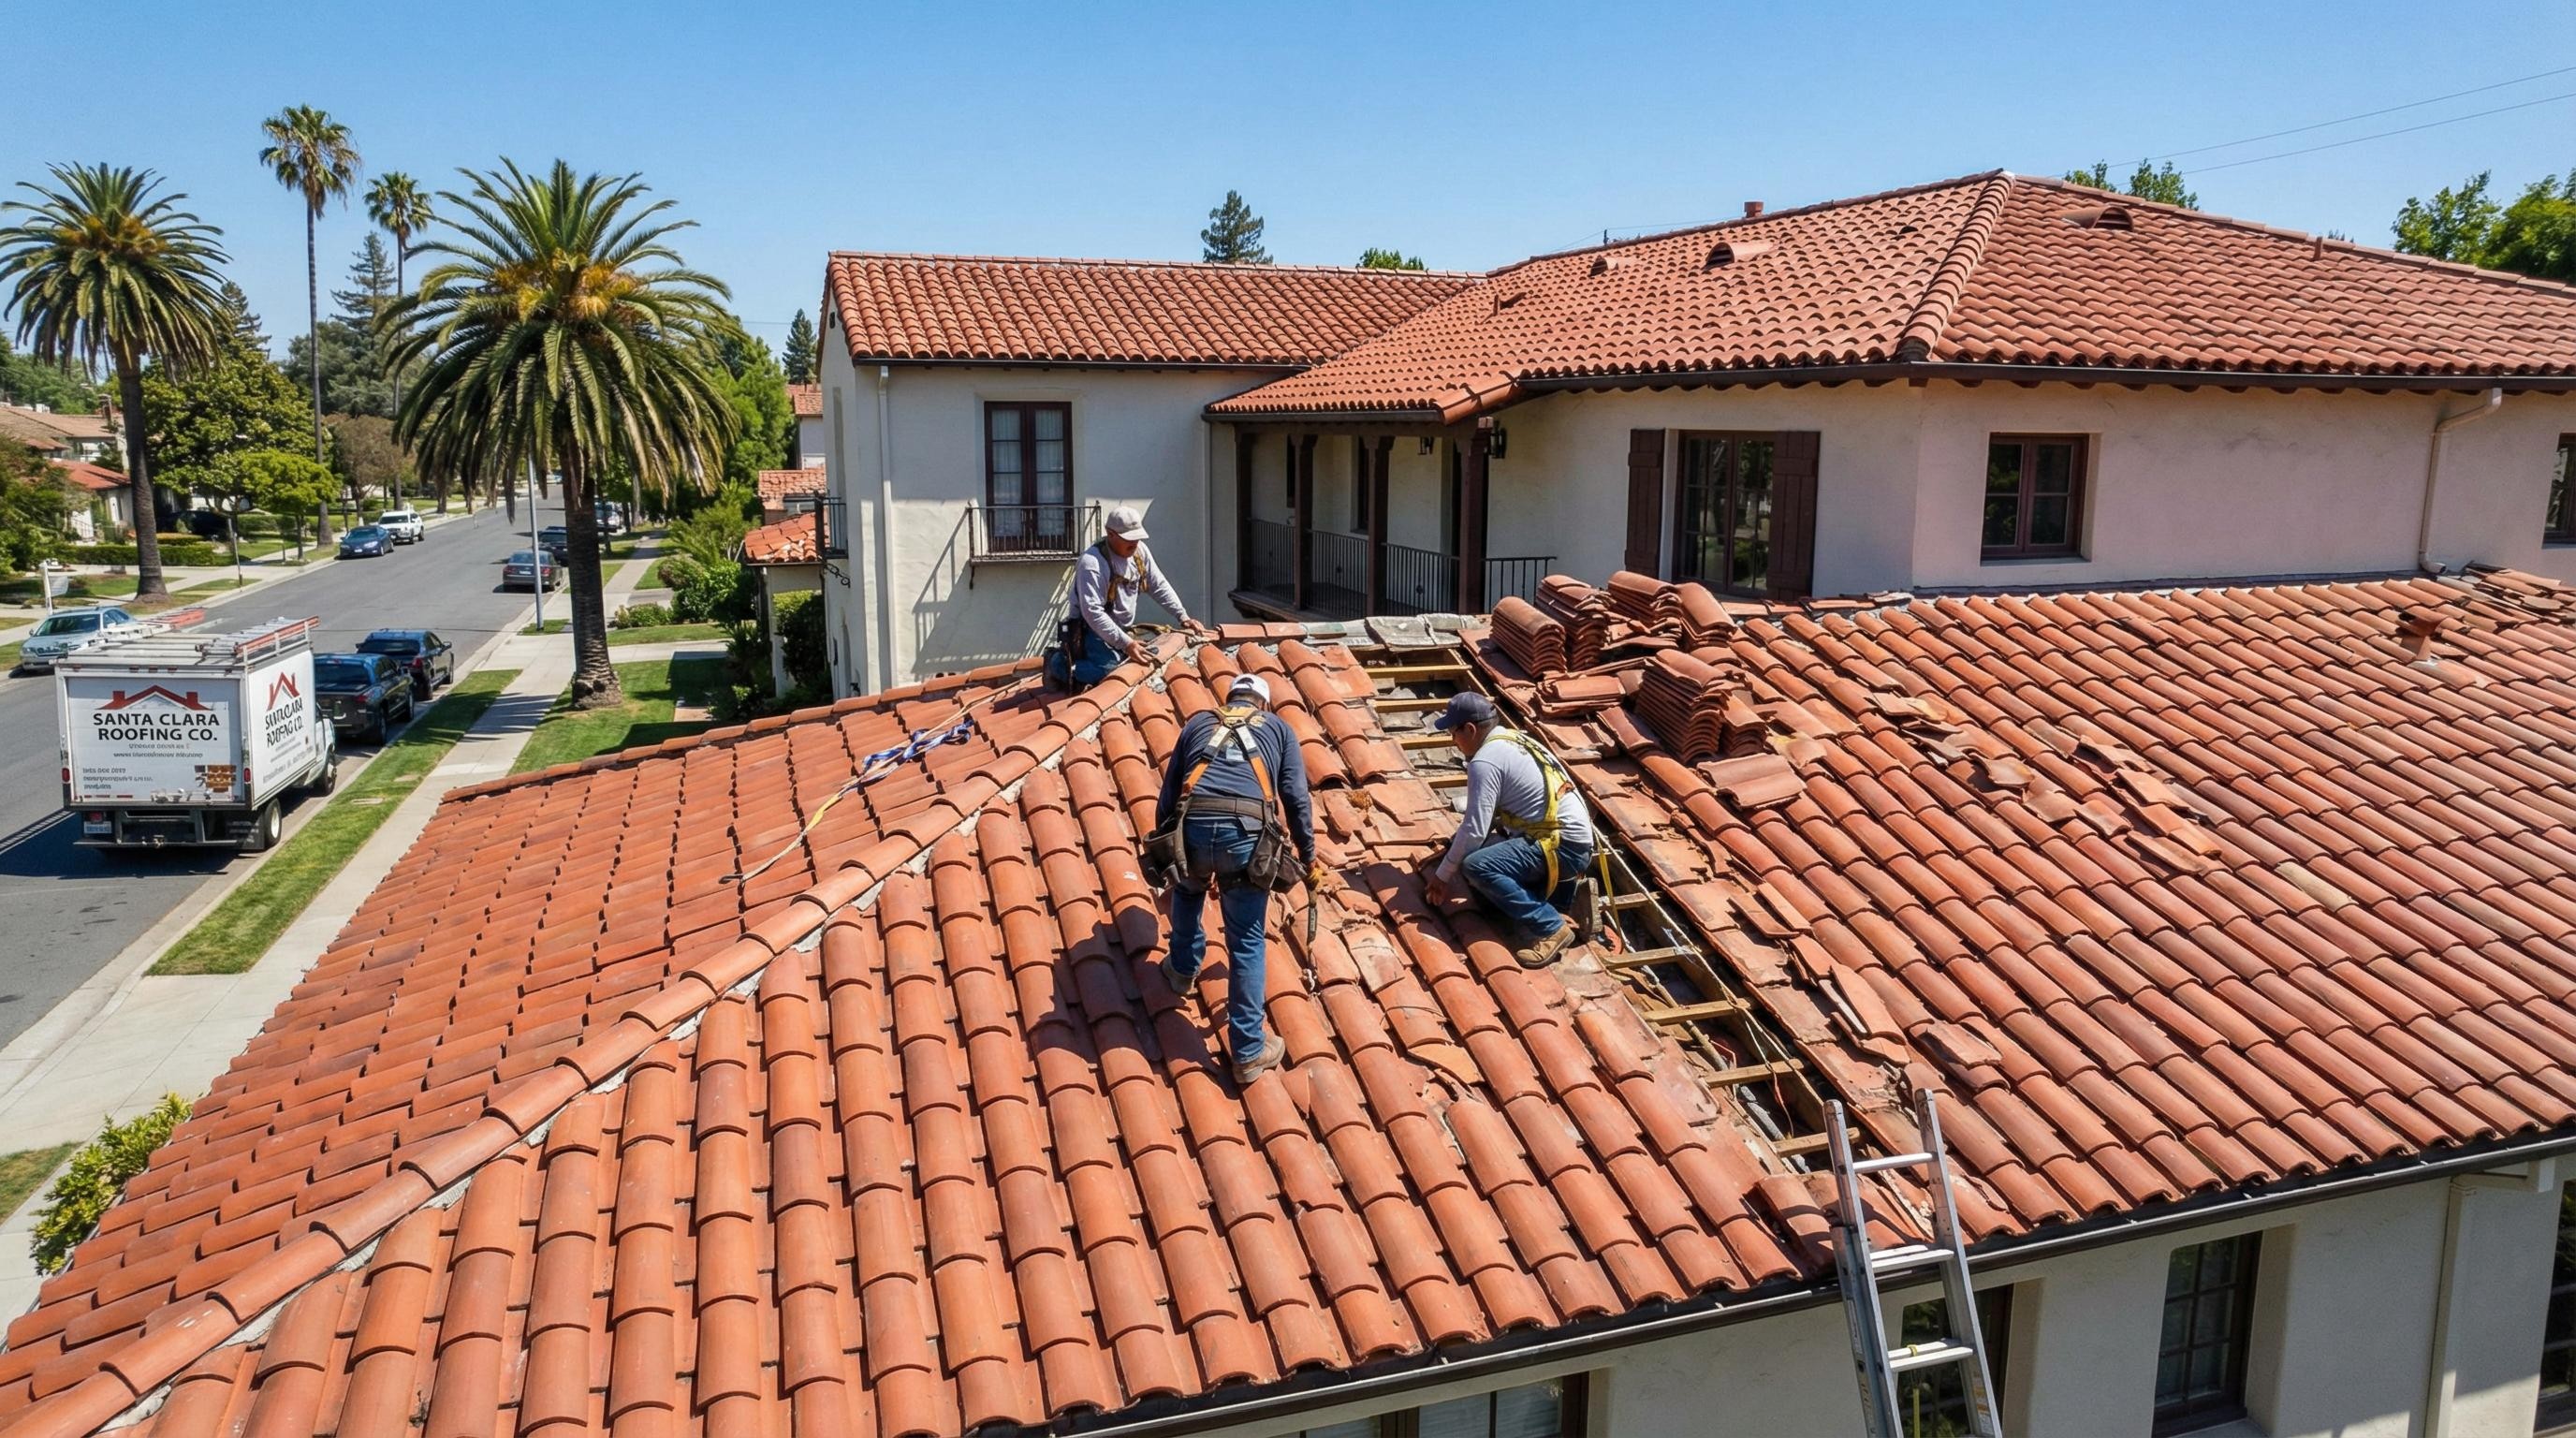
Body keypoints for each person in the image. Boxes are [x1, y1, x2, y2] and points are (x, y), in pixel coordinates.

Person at [1153, 672, 1314, 1083]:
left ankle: (1182, 971)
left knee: (1188, 891)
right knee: (1245, 938)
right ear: (1263, 704)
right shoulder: (1279, 728)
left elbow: (1169, 795)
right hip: (1246, 836)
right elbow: (1295, 797)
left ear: (1228, 700)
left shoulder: (1198, 722)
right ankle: (1246, 1051)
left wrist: (1166, 849)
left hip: (1193, 826)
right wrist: (1308, 855)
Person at [1422, 691, 1600, 967]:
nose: (1453, 742)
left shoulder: (1485, 762)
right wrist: (1451, 847)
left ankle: (1551, 927)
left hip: (1562, 847)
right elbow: (1488, 816)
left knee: (1477, 865)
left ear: (1470, 729)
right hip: (1573, 842)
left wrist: (1443, 874)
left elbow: (1475, 829)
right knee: (1483, 861)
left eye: (1454, 733)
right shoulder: (1515, 739)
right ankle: (1558, 899)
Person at [1066, 504, 1206, 685]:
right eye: (1128, 539)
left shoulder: (1140, 552)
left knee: (1152, 656)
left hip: (1122, 628)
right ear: (1111, 534)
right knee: (1109, 673)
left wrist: (1182, 615)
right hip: (1091, 631)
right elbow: (1093, 612)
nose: (1134, 543)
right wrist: (1126, 644)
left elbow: (1158, 585)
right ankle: (1060, 665)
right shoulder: (1092, 563)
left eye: (1137, 538)